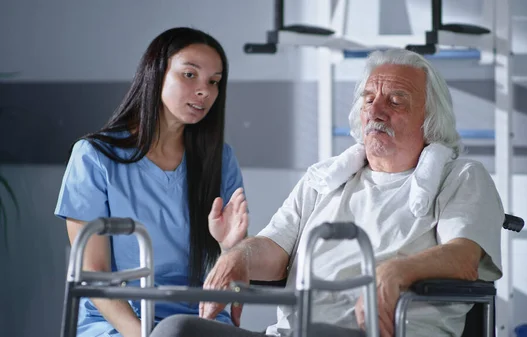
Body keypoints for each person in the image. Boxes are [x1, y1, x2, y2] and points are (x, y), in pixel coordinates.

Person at [149, 48, 504, 337]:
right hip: (294, 332)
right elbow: (274, 249)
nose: (375, 110)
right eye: (368, 98)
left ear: (429, 120)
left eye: (395, 101)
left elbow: (462, 259)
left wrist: (394, 272)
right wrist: (236, 255)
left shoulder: (460, 177)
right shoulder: (325, 178)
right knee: (176, 330)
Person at [54, 27, 249, 337]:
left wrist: (231, 249)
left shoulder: (220, 160)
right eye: (189, 75)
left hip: (196, 319)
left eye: (214, 82)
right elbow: (93, 274)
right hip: (118, 323)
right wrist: (143, 335)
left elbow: (232, 273)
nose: (205, 91)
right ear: (156, 74)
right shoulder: (94, 157)